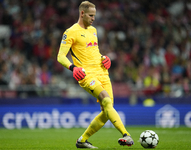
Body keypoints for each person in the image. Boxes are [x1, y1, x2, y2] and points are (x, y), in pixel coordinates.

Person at [57, 1, 134, 149]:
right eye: (91, 15)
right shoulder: (70, 31)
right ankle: (126, 135)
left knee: (107, 110)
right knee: (106, 100)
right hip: (86, 75)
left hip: (102, 73)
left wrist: (104, 59)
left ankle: (82, 140)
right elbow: (60, 56)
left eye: (94, 15)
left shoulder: (94, 30)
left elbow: (94, 52)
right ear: (82, 14)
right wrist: (72, 67)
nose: (93, 18)